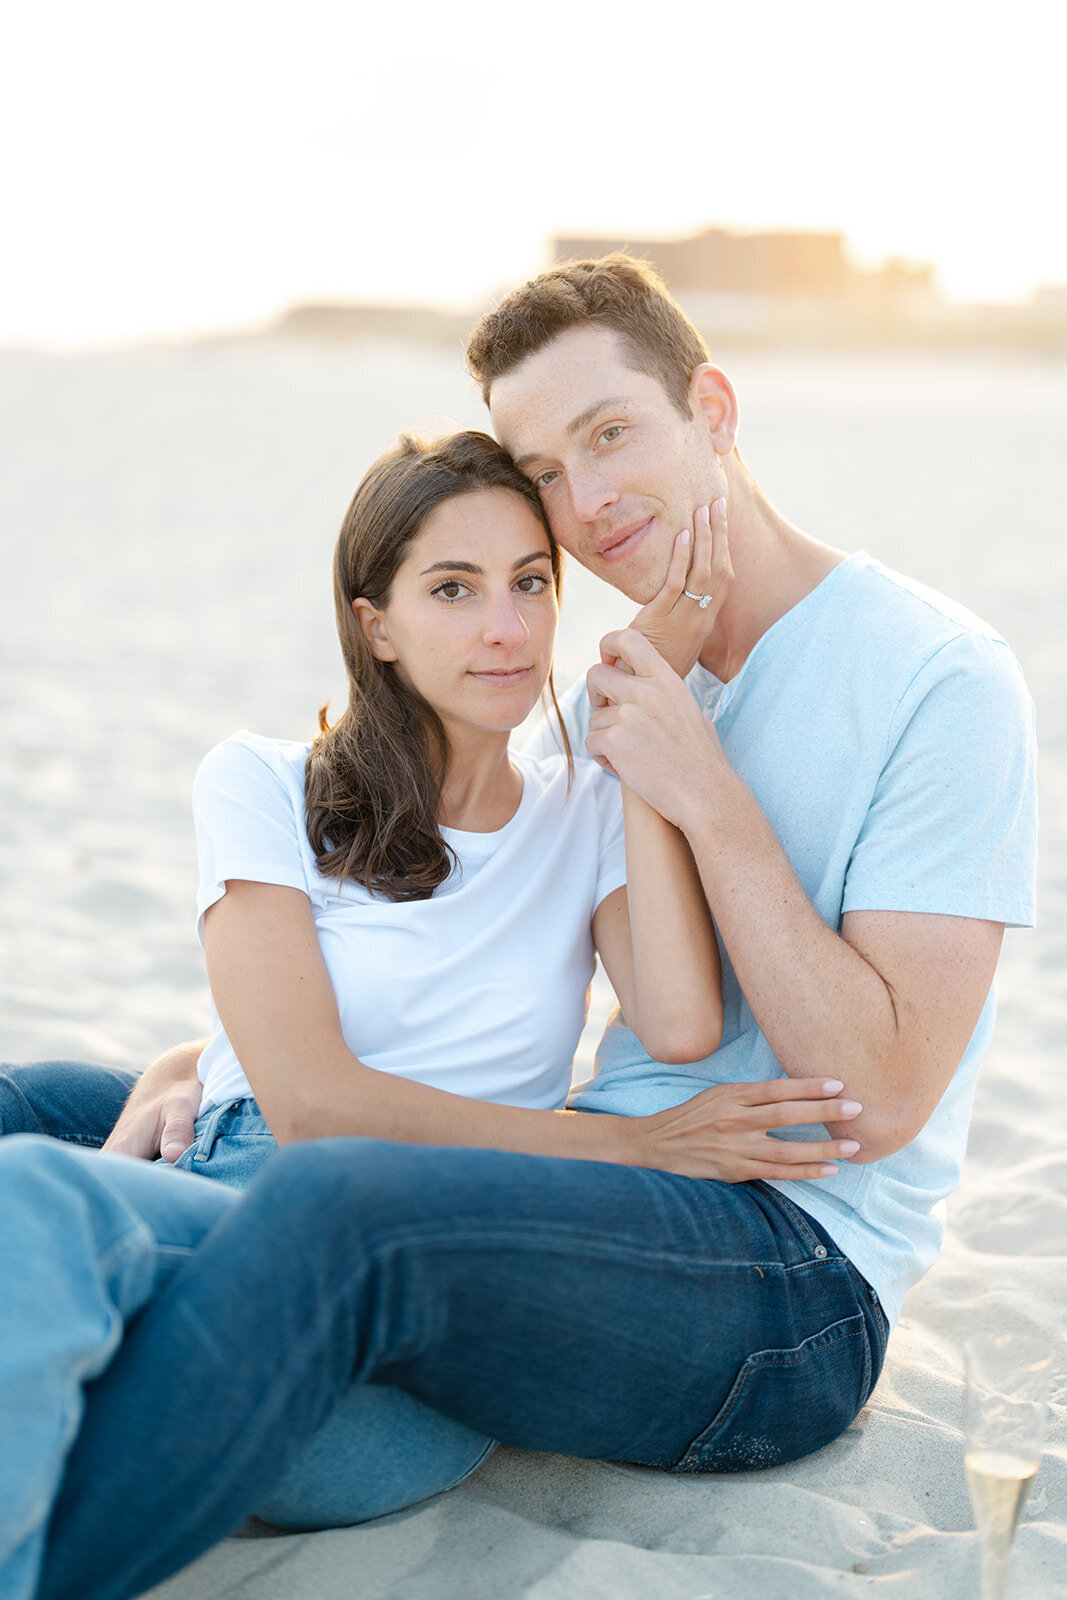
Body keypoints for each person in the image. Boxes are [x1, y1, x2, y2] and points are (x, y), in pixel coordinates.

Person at [1, 254, 1035, 1600]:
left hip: (787, 1272)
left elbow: (882, 1094)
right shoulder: (627, 678)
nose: (586, 505)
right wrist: (214, 1059)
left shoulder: (934, 678)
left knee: (331, 1199)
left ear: (712, 411)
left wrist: (703, 790)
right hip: (599, 1187)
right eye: (544, 471)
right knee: (46, 1101)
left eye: (611, 435)